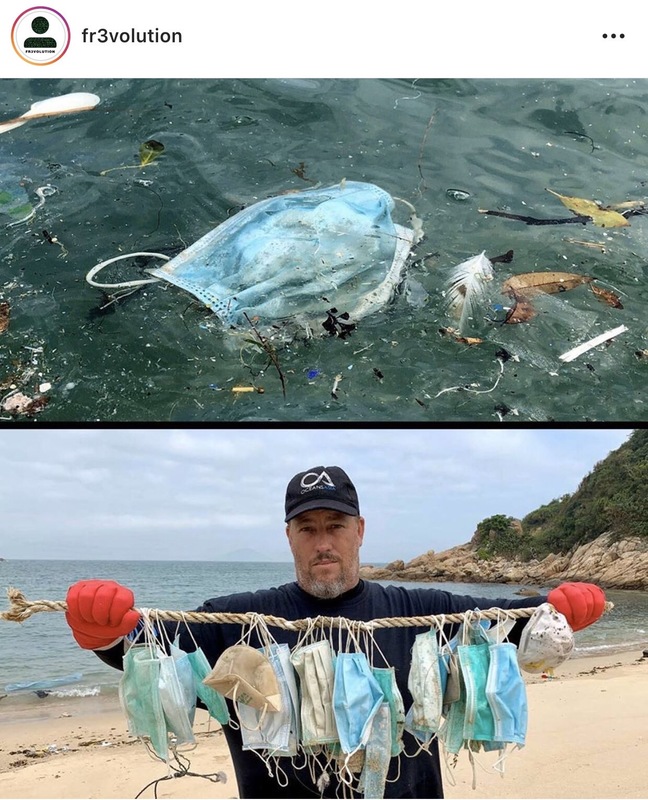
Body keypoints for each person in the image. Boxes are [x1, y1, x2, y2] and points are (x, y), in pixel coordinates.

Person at [65, 465, 607, 799]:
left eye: (336, 526)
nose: (323, 542)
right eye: (308, 529)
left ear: (360, 531)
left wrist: (557, 609)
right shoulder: (236, 620)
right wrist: (102, 629)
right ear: (290, 537)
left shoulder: (427, 610)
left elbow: (505, 626)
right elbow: (151, 653)